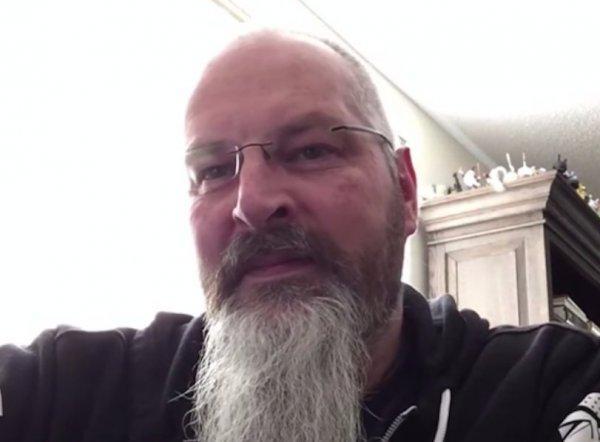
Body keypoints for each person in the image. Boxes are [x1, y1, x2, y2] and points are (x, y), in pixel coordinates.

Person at [0, 29, 599, 442]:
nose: (252, 203)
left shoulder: (552, 390)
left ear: (405, 190)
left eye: (312, 150)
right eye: (214, 170)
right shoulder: (70, 389)